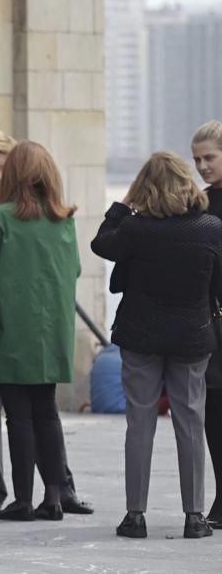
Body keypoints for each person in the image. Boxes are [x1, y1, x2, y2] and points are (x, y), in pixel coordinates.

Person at [0, 130, 92, 516]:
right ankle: (55, 497)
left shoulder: (0, 218)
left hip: (9, 331)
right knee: (47, 412)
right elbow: (74, 269)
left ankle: (24, 499)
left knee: (18, 416)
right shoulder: (64, 219)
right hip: (51, 333)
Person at [93, 152, 221, 539]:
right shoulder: (211, 226)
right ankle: (194, 516)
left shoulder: (136, 229)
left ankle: (135, 515)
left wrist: (120, 207)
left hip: (140, 336)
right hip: (192, 336)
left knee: (141, 425)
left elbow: (102, 245)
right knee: (190, 424)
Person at [191, 119, 222, 529]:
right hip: (211, 322)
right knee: (213, 411)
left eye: (210, 157)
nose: (202, 166)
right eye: (197, 159)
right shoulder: (198, 203)